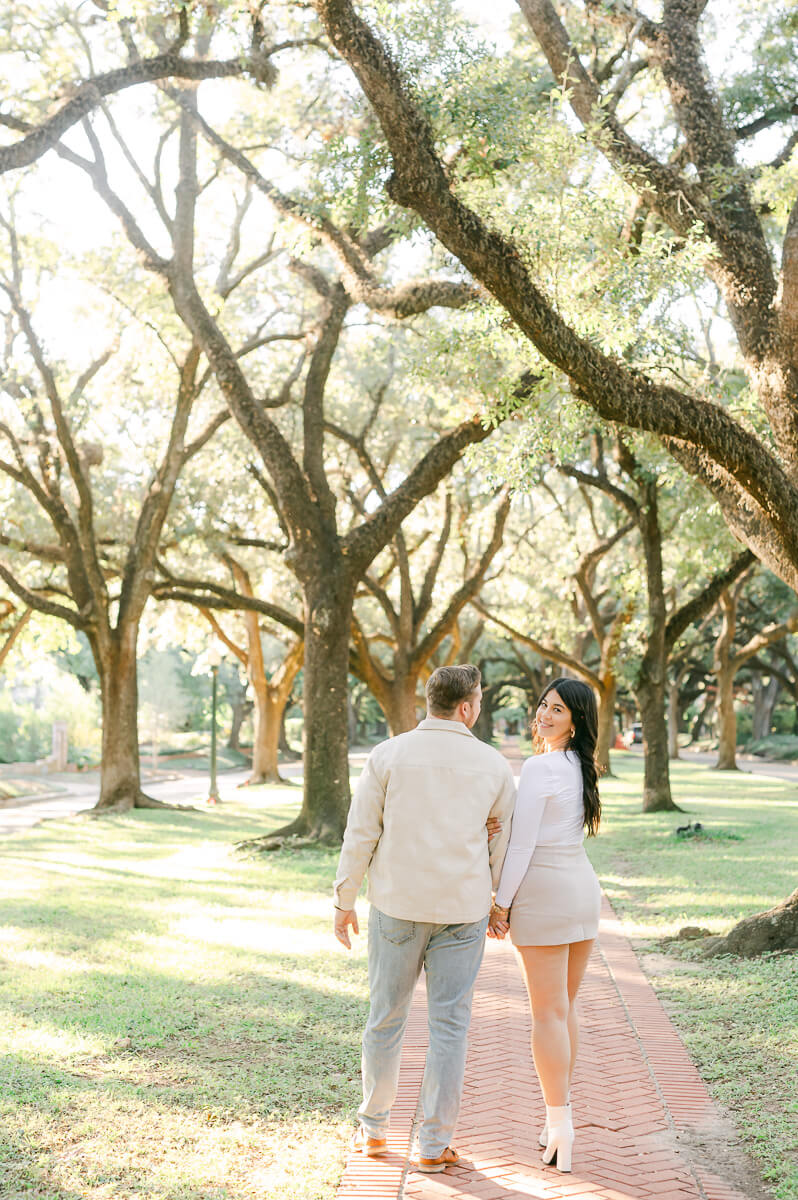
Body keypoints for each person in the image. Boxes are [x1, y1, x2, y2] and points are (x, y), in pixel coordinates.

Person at [333, 664, 516, 1173]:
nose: (477, 707)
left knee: (385, 1019)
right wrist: (502, 903)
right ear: (466, 707)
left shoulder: (388, 755)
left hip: (397, 905)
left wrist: (344, 900)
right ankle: (433, 1145)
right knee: (449, 1027)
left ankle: (373, 1132)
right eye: (477, 700)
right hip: (462, 912)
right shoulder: (493, 765)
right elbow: (503, 844)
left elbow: (361, 832)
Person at [488, 677, 601, 1175]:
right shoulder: (582, 765)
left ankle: (560, 1123)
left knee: (547, 1016)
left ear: (576, 720)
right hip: (581, 892)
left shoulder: (540, 766)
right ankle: (559, 1114)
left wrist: (501, 903)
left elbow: (522, 846)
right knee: (565, 1008)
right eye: (543, 705)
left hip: (545, 895)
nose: (544, 715)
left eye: (557, 710)